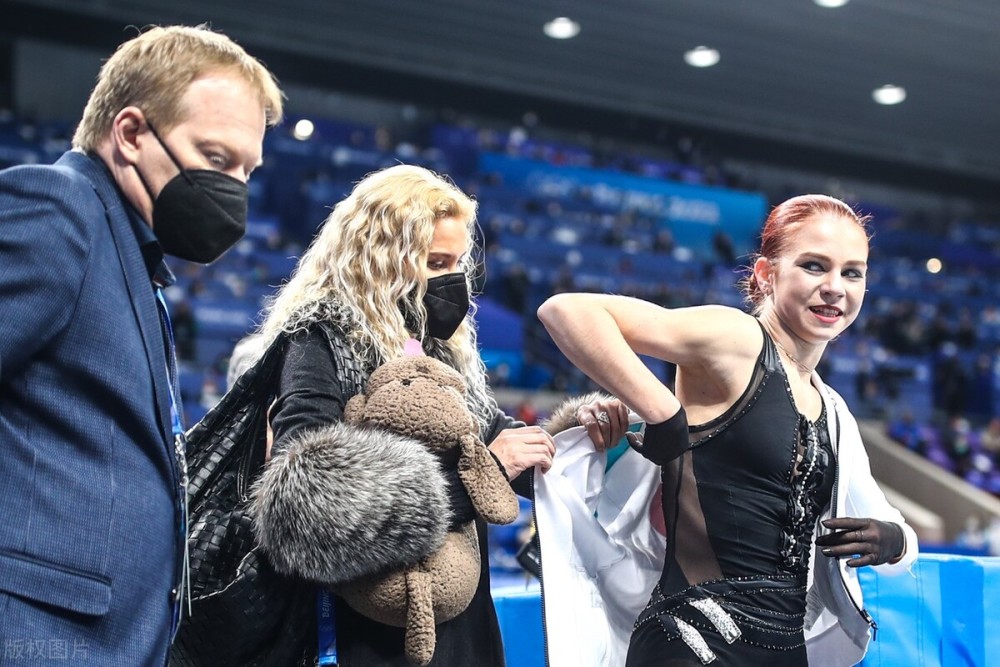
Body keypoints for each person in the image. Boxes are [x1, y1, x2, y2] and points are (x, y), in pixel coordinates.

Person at [246, 164, 628, 666]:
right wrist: (482, 476)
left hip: (462, 629)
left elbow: (501, 442)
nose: (452, 280)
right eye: (435, 262)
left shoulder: (440, 349)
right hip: (369, 636)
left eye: (457, 263)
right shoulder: (320, 340)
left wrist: (577, 431)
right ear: (381, 260)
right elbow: (309, 502)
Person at [0, 25, 282, 665]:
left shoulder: (133, 253)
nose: (234, 189)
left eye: (246, 170)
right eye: (215, 158)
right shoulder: (59, 209)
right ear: (129, 134)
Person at [538, 194, 918, 666]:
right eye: (814, 266)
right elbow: (566, 311)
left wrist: (892, 539)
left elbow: (901, 538)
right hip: (694, 639)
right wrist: (661, 411)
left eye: (852, 272)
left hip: (784, 650)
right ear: (765, 275)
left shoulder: (834, 410)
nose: (835, 287)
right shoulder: (738, 339)